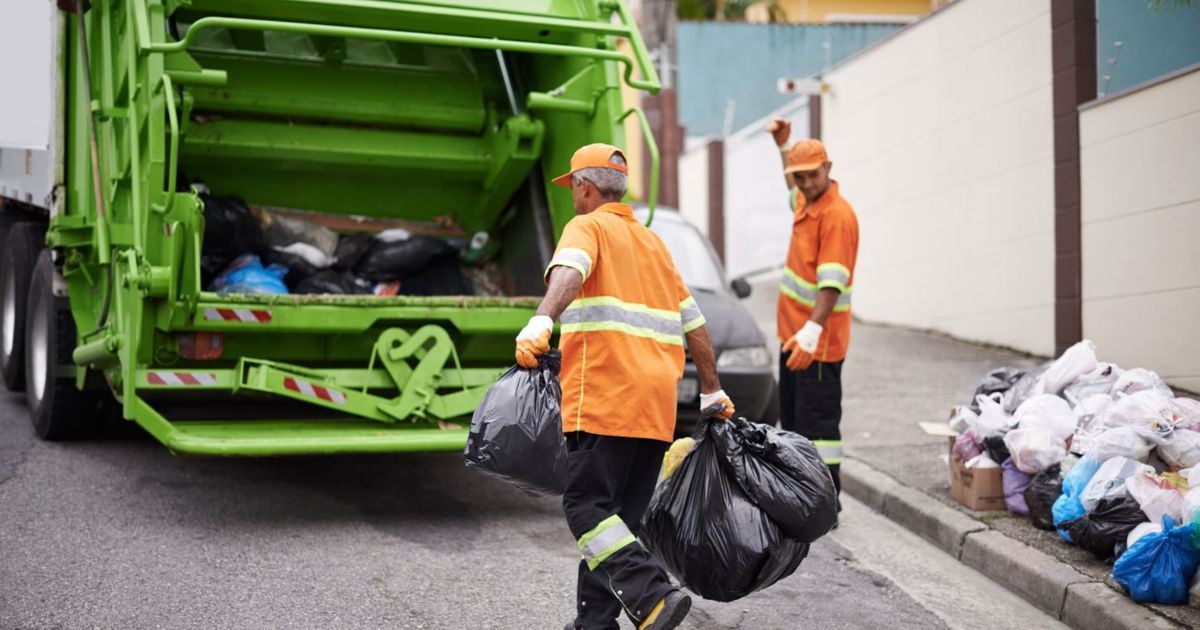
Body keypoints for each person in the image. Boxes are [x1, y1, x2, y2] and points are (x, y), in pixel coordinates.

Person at [514, 143, 735, 630]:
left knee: (586, 507)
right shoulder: (654, 243)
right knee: (618, 522)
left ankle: (651, 594)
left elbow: (570, 270)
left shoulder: (587, 226)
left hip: (606, 394)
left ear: (585, 187)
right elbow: (694, 322)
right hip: (656, 406)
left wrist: (540, 321)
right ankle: (595, 623)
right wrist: (712, 391)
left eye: (573, 188)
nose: (573, 197)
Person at [766, 119, 859, 496]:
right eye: (800, 177)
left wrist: (811, 331)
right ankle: (800, 495)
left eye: (812, 176)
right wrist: (783, 145)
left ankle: (825, 500)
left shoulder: (836, 217)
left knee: (818, 428)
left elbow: (831, 284)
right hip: (794, 338)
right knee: (795, 422)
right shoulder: (807, 202)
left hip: (817, 345)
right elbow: (792, 185)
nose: (805, 183)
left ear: (829, 169)